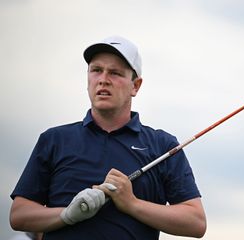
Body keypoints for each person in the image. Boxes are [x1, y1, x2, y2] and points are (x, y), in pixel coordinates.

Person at [9, 36, 207, 239]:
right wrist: (67, 215)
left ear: (135, 86)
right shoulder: (54, 139)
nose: (103, 79)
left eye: (115, 73)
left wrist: (132, 203)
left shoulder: (162, 145)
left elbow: (195, 222)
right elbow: (19, 215)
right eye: (96, 70)